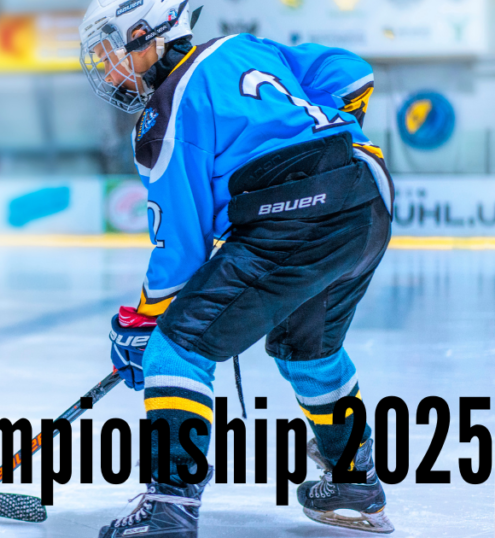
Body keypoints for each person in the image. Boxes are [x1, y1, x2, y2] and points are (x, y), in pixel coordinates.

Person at [79, 0, 394, 536]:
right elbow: (351, 73)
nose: (108, 70)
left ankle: (169, 507)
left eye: (111, 52)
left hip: (295, 212)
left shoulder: (164, 112)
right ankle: (353, 480)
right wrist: (318, 140)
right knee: (309, 350)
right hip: (368, 195)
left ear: (148, 34)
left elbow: (180, 253)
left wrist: (143, 323)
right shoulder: (244, 48)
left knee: (178, 347)